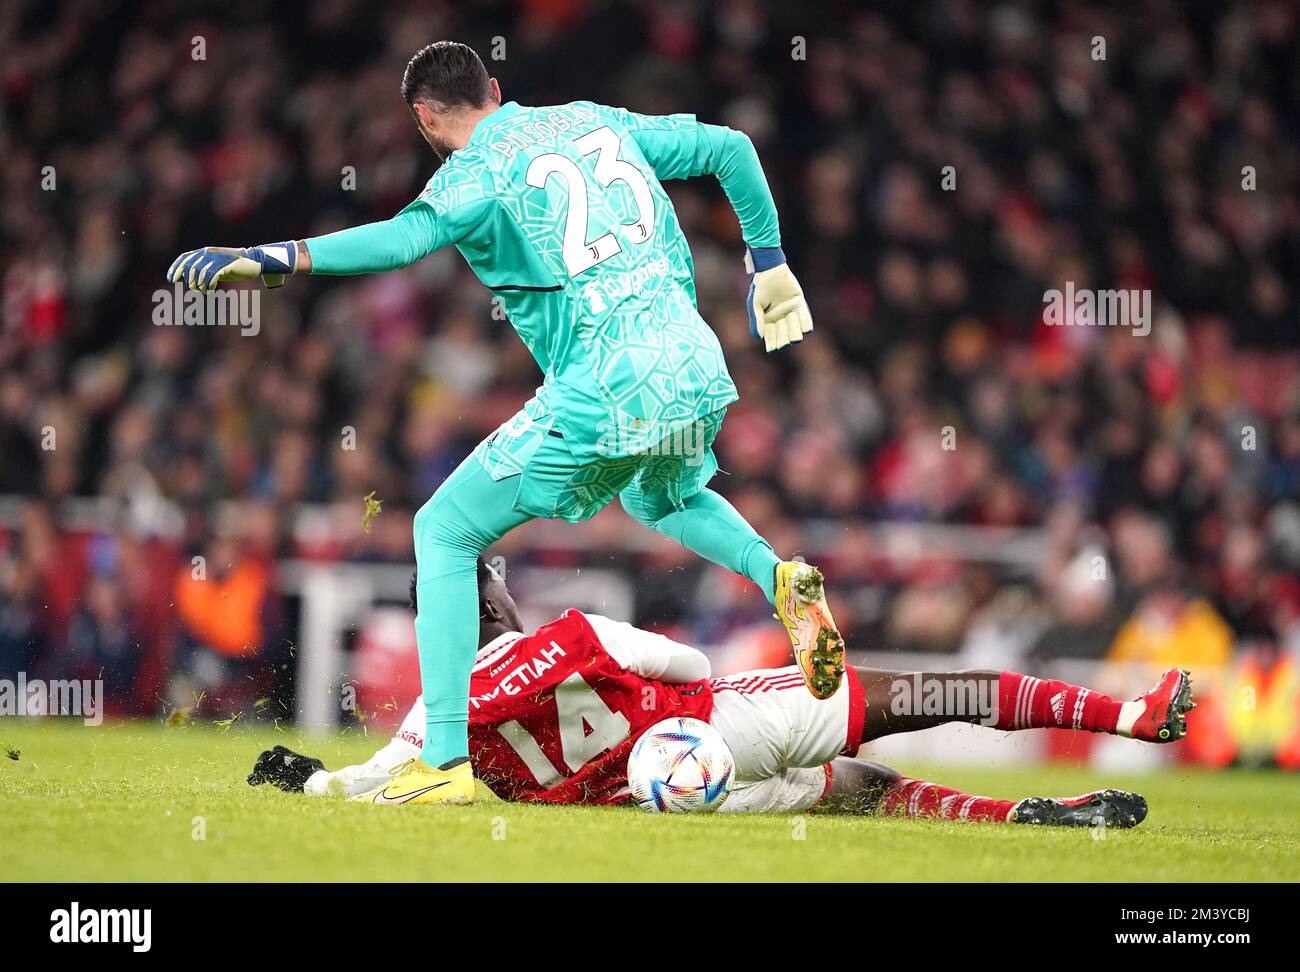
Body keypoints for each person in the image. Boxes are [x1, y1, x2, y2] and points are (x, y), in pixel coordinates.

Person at [170, 40, 843, 805]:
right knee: (663, 500)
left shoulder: (472, 175)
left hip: (605, 381)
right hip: (691, 359)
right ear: (495, 87)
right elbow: (730, 147)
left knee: (444, 531)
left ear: (425, 118)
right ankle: (777, 575)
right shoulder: (595, 120)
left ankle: (445, 763)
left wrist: (272, 256)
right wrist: (769, 261)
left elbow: (400, 240)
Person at [249, 559, 1194, 826]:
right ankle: (1130, 714)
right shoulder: (570, 635)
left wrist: (309, 782)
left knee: (862, 792)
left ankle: (1018, 815)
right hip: (719, 722)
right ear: (494, 597)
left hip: (679, 802)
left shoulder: (432, 718)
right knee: (932, 695)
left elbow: (376, 778)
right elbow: (692, 670)